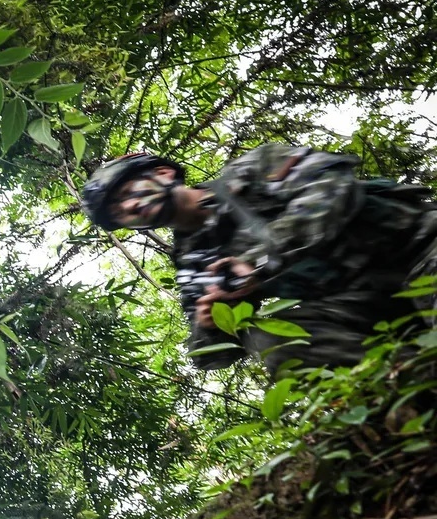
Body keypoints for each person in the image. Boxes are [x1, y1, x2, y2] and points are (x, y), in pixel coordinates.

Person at [79, 145, 437, 376]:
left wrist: (257, 260)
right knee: (272, 339)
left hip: (419, 248)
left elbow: (333, 188)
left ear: (163, 173)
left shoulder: (251, 172)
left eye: (126, 193)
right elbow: (209, 356)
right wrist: (213, 322)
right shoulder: (193, 263)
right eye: (118, 213)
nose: (129, 208)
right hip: (364, 303)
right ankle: (408, 388)